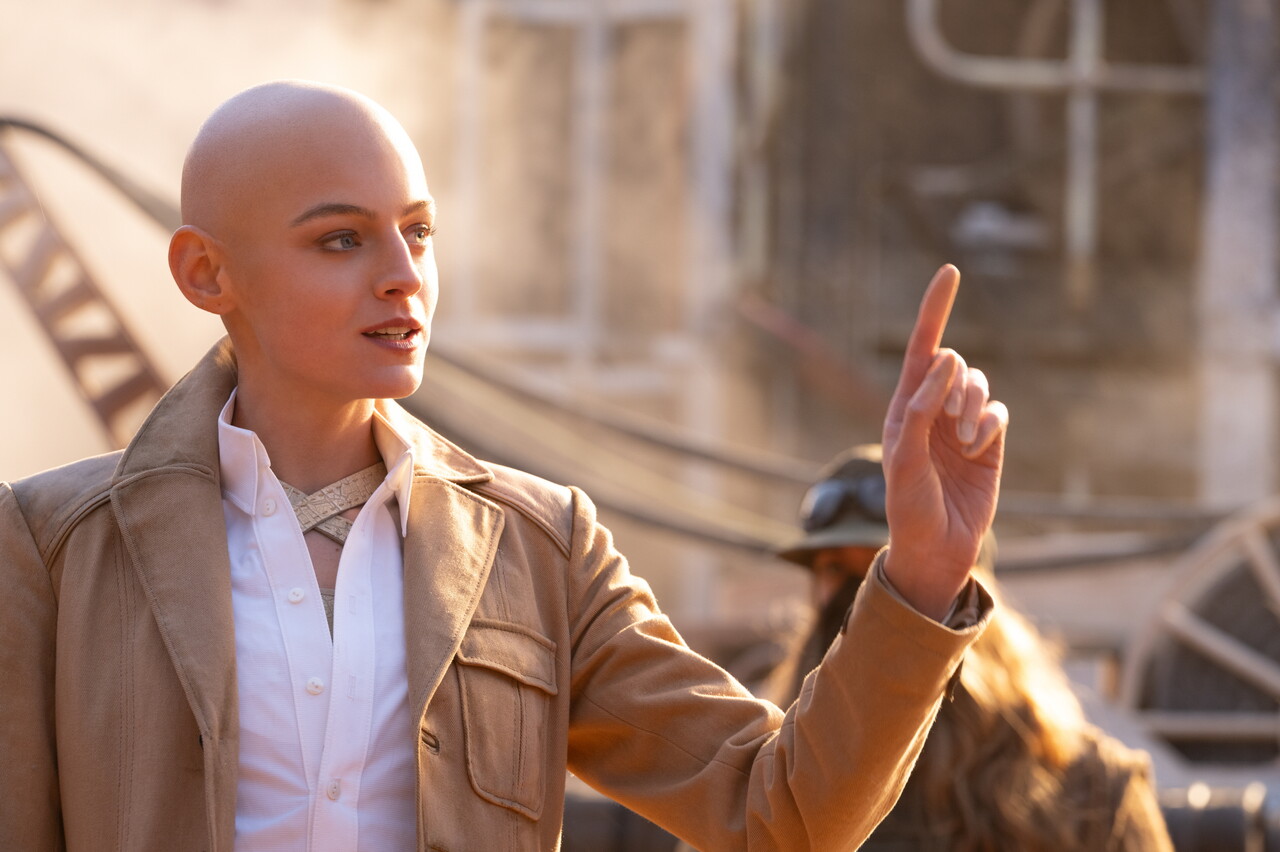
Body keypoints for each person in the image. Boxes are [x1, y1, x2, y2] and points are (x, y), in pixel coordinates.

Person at [0, 80, 1008, 851]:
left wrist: (922, 572)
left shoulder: (539, 549)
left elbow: (779, 811)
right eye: (342, 239)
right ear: (205, 271)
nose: (404, 275)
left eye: (419, 232)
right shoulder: (51, 547)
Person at [767, 445, 1174, 851]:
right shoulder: (771, 796)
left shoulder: (1094, 799)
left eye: (887, 569)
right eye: (835, 569)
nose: (861, 601)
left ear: (970, 596)